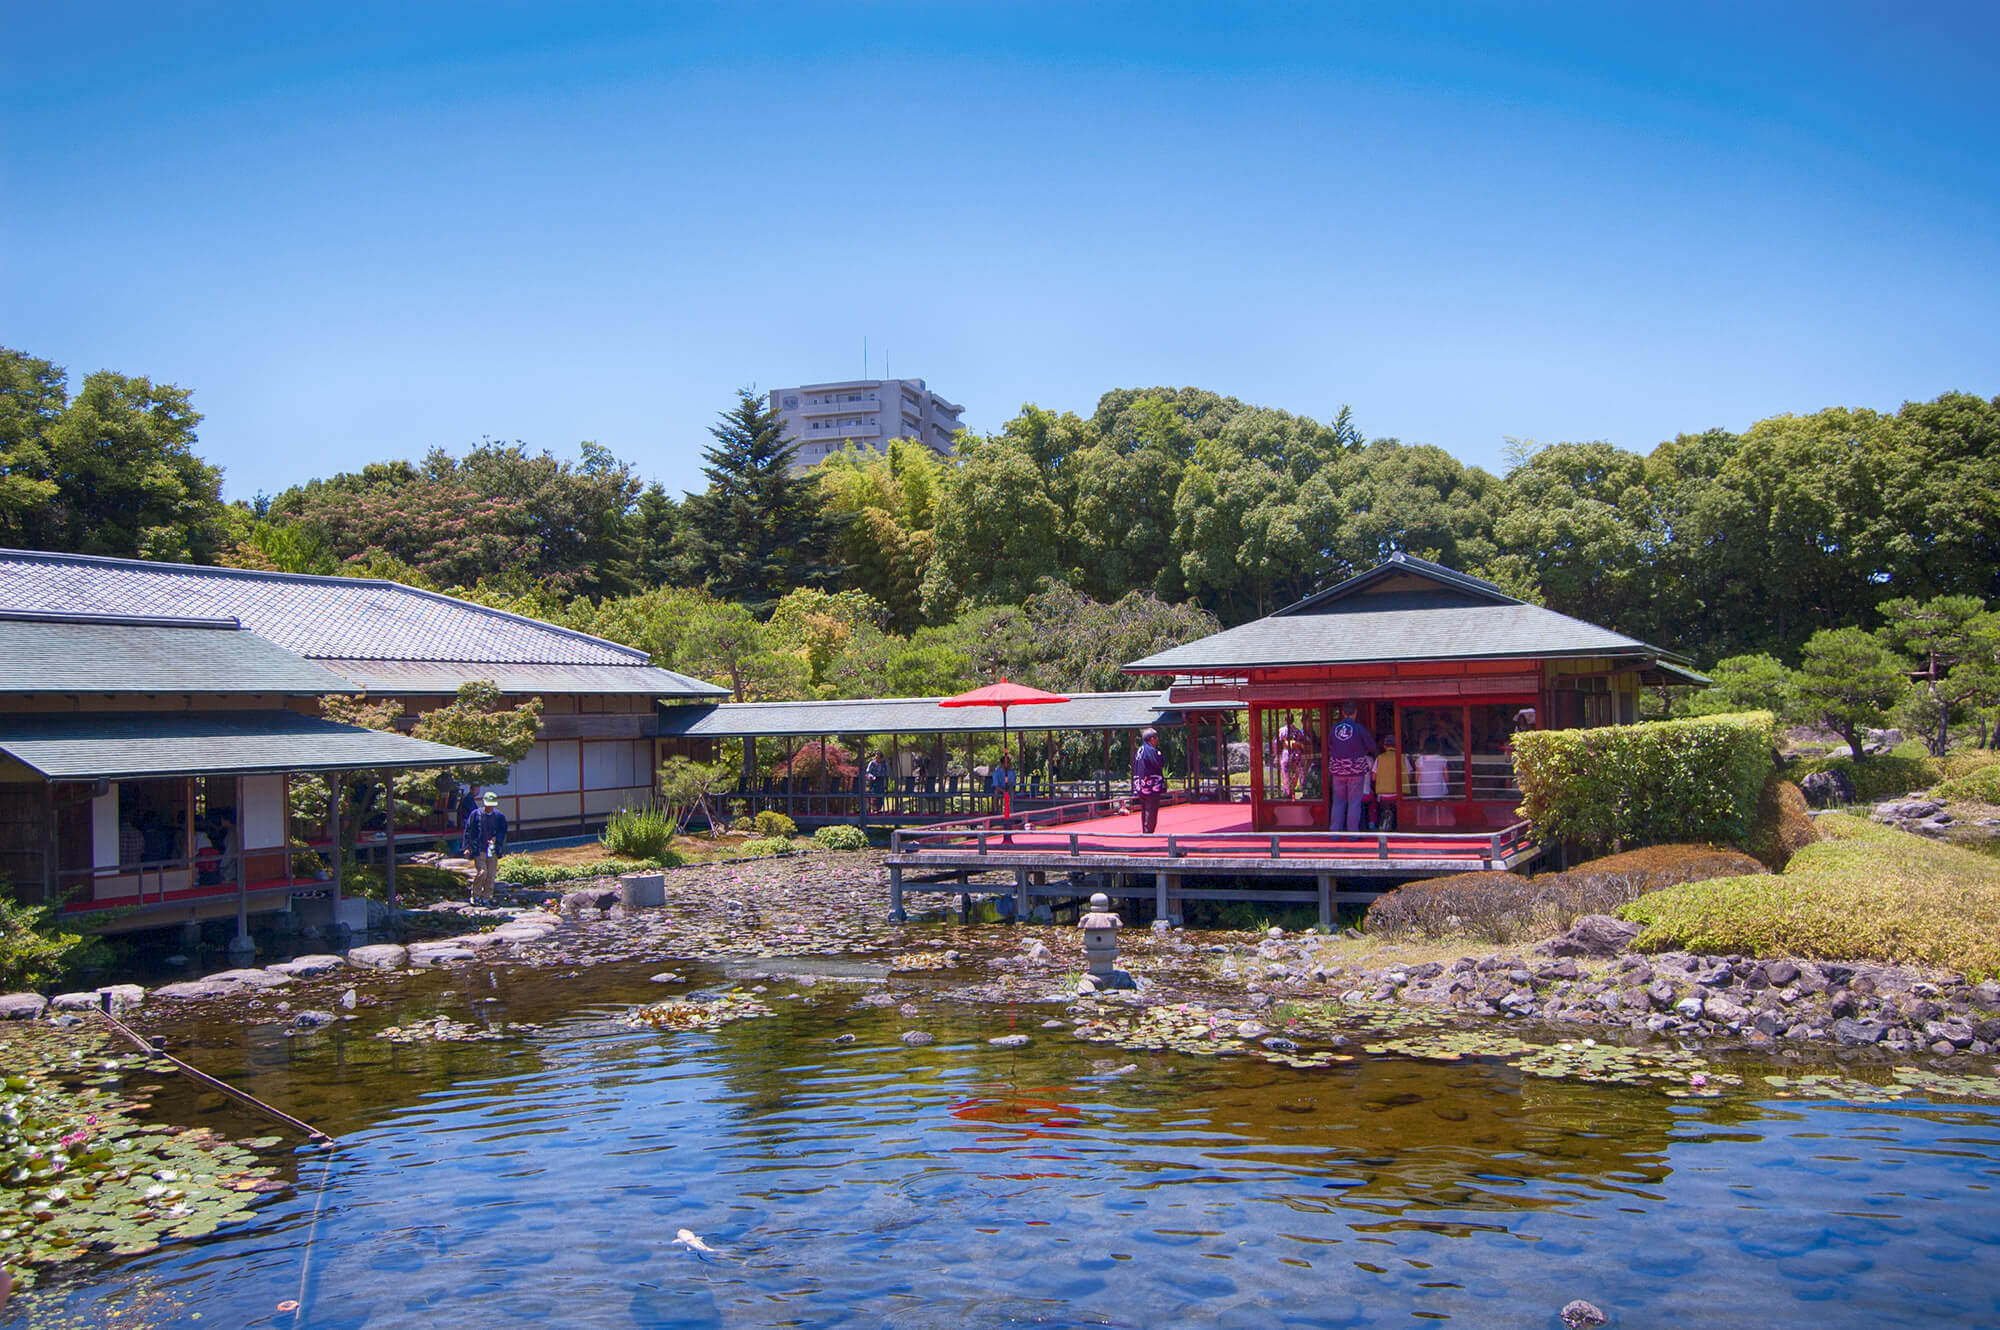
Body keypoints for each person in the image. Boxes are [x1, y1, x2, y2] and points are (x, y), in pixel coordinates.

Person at [1324, 701, 1380, 833]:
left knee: (1338, 802)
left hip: (1337, 769)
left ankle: (1335, 833)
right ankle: (1353, 834)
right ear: (1355, 712)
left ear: (1343, 713)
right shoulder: (1359, 728)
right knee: (1354, 803)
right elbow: (1371, 746)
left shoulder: (1334, 728)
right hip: (1355, 769)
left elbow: (1330, 745)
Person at [463, 791, 508, 905]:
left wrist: (497, 839)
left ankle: (486, 897)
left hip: (492, 849)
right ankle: (475, 895)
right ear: (484, 803)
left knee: (491, 875)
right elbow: (468, 832)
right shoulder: (475, 814)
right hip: (479, 848)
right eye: (488, 804)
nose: (490, 807)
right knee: (482, 872)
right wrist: (467, 847)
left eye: (492, 805)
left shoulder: (499, 816)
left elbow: (503, 831)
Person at [1131, 728, 1167, 834]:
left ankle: (1145, 830)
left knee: (1145, 810)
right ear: (1151, 738)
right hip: (1150, 786)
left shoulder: (1140, 750)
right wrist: (1159, 754)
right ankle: (1148, 833)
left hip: (1141, 785)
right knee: (1151, 810)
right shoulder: (1150, 751)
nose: (1157, 740)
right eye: (1156, 738)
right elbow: (1159, 763)